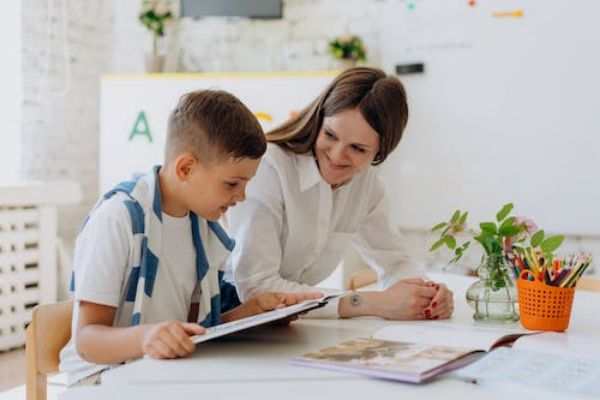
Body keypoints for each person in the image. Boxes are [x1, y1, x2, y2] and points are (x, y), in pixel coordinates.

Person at [59, 89, 321, 386]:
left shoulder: (202, 227)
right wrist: (146, 337)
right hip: (100, 380)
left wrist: (251, 315)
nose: (242, 196)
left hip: (161, 372)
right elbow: (87, 341)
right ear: (186, 168)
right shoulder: (118, 219)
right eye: (232, 183)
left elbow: (192, 332)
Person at [225, 67, 453, 320]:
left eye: (357, 148)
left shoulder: (367, 185)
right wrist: (369, 302)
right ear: (318, 121)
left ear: (380, 152)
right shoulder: (270, 167)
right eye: (330, 135)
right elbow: (256, 287)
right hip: (233, 314)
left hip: (290, 322)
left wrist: (427, 294)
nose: (336, 155)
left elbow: (395, 263)